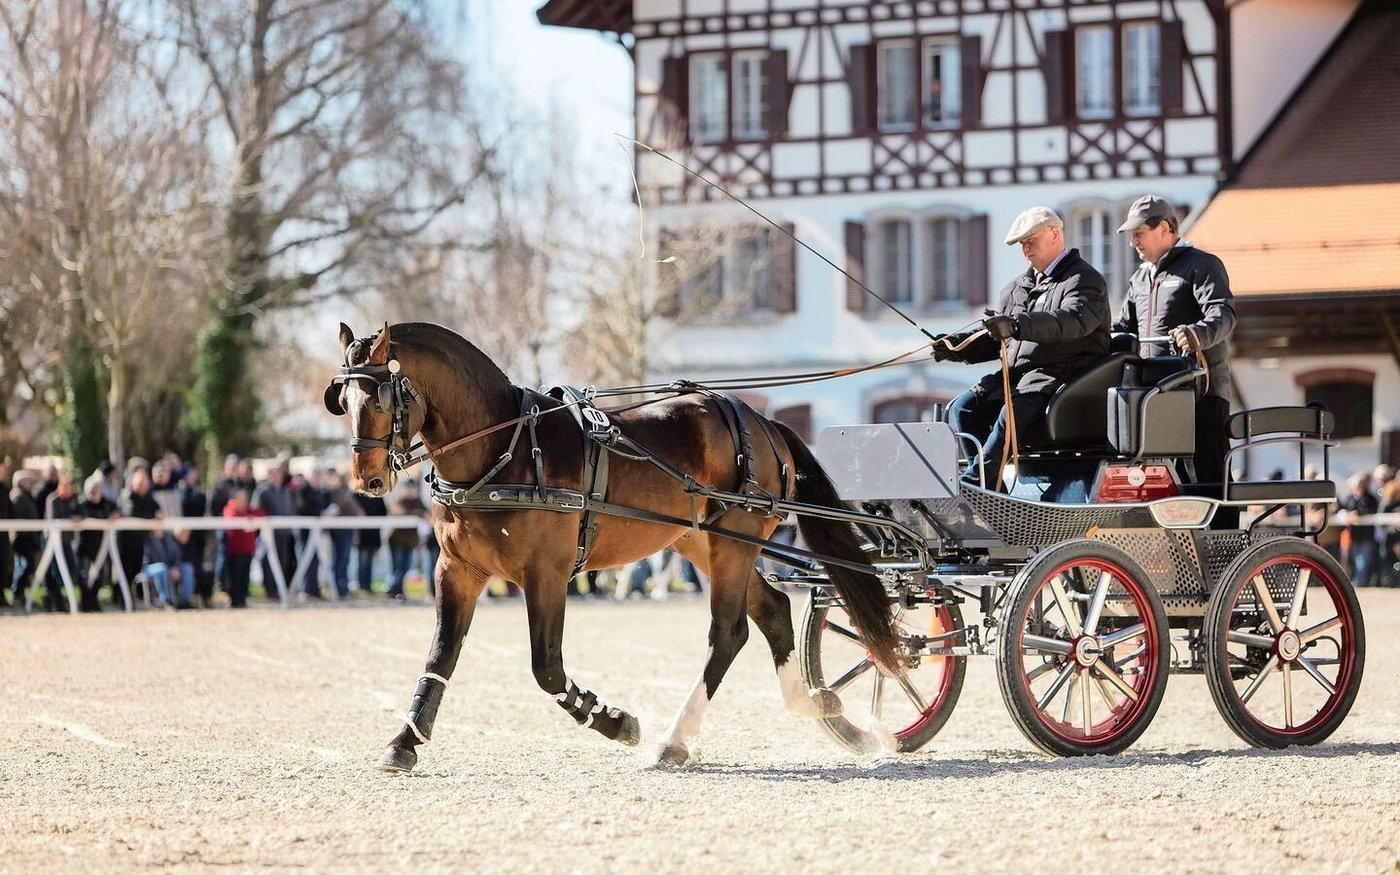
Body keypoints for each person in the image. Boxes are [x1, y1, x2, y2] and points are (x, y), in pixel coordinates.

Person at [934, 206, 1110, 487]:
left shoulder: (1083, 280)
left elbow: (1074, 321)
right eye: (1022, 244)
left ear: (1055, 235)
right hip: (1020, 376)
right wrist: (957, 348)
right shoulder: (1017, 287)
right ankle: (992, 489)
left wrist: (1017, 325)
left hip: (1067, 372)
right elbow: (998, 338)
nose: (1026, 249)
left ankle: (974, 484)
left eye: (1031, 240)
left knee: (1012, 411)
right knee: (964, 408)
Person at [1112, 195, 1237, 487]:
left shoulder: (1202, 264)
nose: (1133, 243)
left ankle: (1223, 533)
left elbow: (1223, 314)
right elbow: (1124, 328)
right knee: (1169, 478)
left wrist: (1195, 335)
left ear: (1165, 228)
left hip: (1203, 391)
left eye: (1139, 234)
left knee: (1210, 473)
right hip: (1154, 395)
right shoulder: (1140, 278)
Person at [221, 489, 263, 608]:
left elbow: (261, 513)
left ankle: (243, 600)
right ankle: (234, 601)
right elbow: (231, 519)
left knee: (245, 577)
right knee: (235, 578)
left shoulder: (248, 510)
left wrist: (249, 515)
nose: (244, 502)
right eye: (241, 499)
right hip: (234, 551)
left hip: (248, 550)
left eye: (245, 499)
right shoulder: (229, 509)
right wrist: (247, 517)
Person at [1338, 472, 1380, 586]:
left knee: (1364, 560)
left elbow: (1372, 512)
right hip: (1353, 535)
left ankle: (1361, 581)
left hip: (1367, 535)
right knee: (1354, 559)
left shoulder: (1370, 499)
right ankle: (1357, 579)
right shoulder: (1349, 499)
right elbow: (1341, 510)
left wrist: (1358, 514)